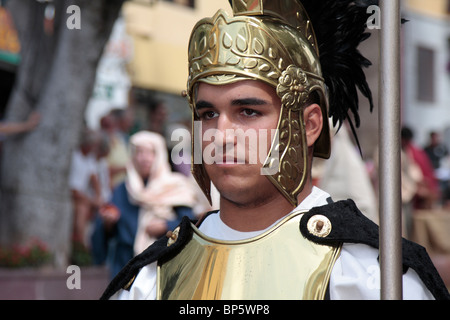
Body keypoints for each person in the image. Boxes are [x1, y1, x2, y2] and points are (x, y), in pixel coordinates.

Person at [101, 0, 450, 300]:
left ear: (310, 124)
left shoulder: (372, 277)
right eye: (207, 113)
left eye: (248, 111)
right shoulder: (150, 281)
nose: (221, 135)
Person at [91, 131, 197, 279]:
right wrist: (108, 224)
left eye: (150, 153)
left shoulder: (176, 187)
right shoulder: (123, 190)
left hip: (164, 266)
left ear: (159, 156)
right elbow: (108, 233)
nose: (144, 158)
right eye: (139, 152)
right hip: (126, 268)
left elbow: (190, 225)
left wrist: (166, 226)